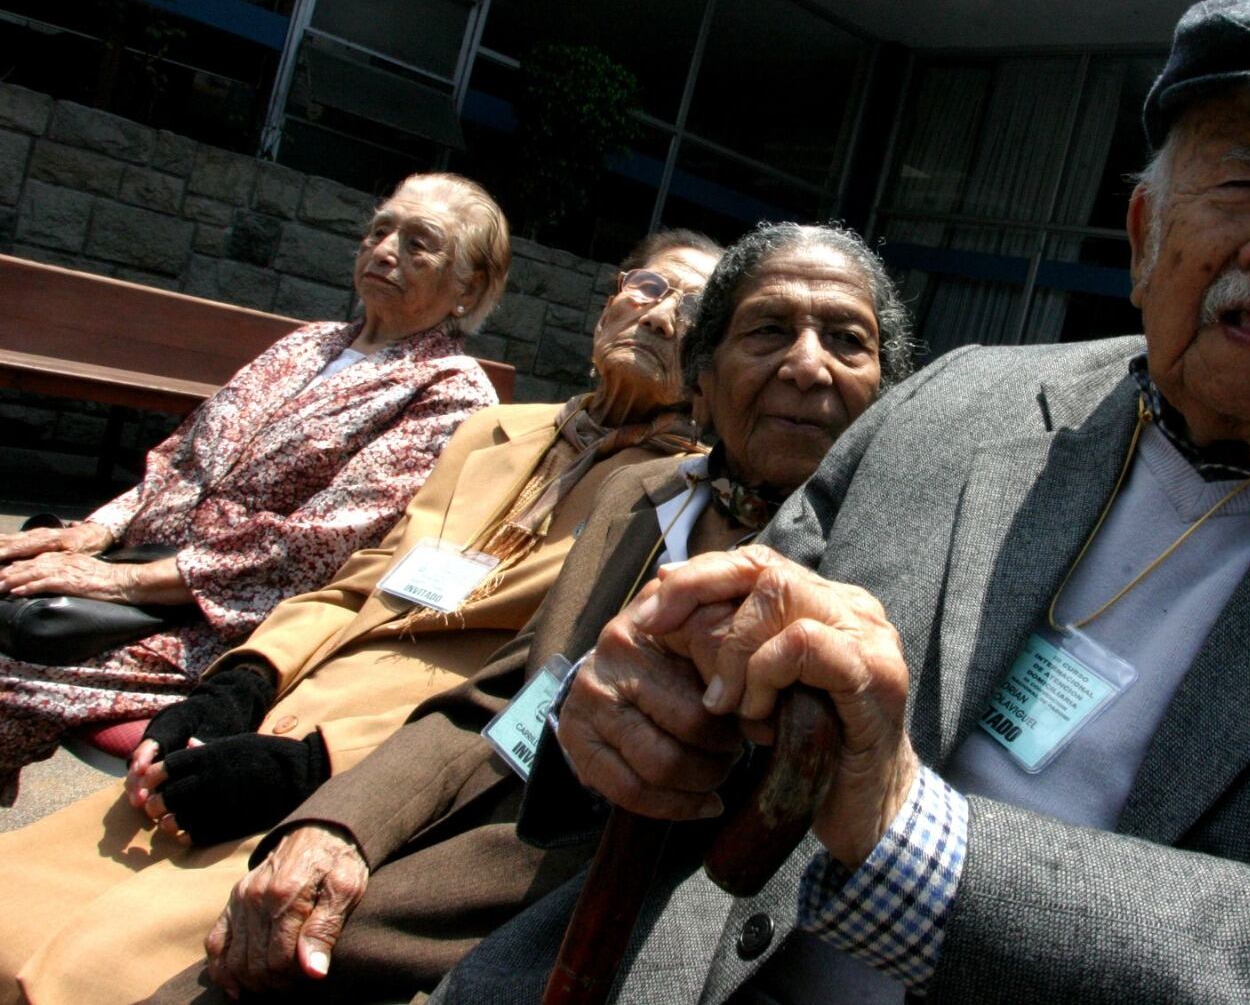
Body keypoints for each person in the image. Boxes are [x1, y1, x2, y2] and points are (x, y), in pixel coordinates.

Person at [441, 0, 1250, 1005]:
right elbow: (695, 665)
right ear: (1144, 234)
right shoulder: (956, 402)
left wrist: (916, 837)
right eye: (1240, 180)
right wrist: (623, 711)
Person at [135, 222, 917, 1004]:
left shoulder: (875, 580)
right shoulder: (636, 500)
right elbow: (500, 696)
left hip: (602, 934)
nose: (808, 365)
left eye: (848, 340)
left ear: (885, 393)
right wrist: (338, 826)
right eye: (769, 330)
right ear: (703, 378)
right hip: (448, 866)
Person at [0, 227, 724, 1005]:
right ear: (611, 298)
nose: (658, 317)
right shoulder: (496, 433)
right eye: (649, 288)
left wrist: (319, 764)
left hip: (391, 774)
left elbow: (538, 684)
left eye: (693, 310)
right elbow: (364, 580)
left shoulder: (682, 503)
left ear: (715, 365)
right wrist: (242, 679)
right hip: (286, 706)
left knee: (98, 972)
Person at [0, 171, 508, 799]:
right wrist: (89, 534)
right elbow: (182, 461)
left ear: (470, 287)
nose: (383, 250)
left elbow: (316, 547)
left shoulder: (448, 389)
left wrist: (120, 579)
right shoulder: (310, 342)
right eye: (380, 230)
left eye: (418, 243)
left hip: (219, 625)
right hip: (132, 572)